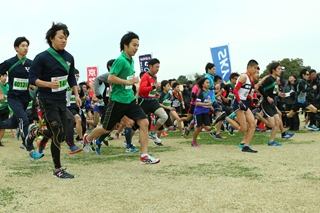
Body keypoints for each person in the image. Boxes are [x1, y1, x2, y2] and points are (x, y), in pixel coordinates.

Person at [83, 31, 160, 164]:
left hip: (129, 100)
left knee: (144, 122)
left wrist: (131, 86)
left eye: (138, 45)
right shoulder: (120, 60)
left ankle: (144, 156)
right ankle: (87, 139)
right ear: (125, 45)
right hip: (117, 101)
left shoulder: (130, 61)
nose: (136, 48)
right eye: (134, 45)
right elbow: (111, 77)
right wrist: (128, 82)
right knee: (106, 128)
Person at [27, 22, 82, 178]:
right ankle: (57, 169)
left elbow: (71, 78)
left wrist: (76, 95)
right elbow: (32, 79)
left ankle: (35, 132)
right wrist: (48, 84)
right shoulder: (42, 57)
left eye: (66, 38)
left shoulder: (69, 57)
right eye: (61, 37)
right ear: (52, 38)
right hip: (46, 99)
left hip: (61, 99)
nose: (64, 40)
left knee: (62, 132)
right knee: (57, 131)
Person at [0, 37, 42, 157]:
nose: (25, 48)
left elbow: (35, 77)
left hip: (25, 98)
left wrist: (33, 85)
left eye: (27, 46)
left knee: (12, 123)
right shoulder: (9, 62)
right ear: (16, 48)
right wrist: (0, 93)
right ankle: (30, 149)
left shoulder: (31, 63)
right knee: (24, 120)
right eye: (23, 45)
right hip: (13, 98)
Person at [225, 59, 258, 153]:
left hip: (244, 102)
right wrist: (240, 102)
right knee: (243, 128)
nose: (256, 70)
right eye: (255, 68)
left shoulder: (249, 78)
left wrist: (251, 98)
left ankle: (246, 146)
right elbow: (235, 91)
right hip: (238, 103)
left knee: (253, 124)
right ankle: (228, 118)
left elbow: (243, 93)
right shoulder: (243, 76)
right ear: (249, 67)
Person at [138, 58, 168, 145]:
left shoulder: (155, 76)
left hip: (153, 101)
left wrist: (155, 94)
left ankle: (153, 132)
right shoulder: (145, 76)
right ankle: (128, 142)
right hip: (144, 102)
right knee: (136, 124)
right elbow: (142, 90)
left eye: (159, 67)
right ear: (150, 66)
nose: (158, 69)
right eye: (156, 67)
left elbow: (150, 90)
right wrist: (154, 87)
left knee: (164, 116)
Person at [191, 78, 214, 147]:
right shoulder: (200, 92)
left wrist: (210, 106)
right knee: (199, 127)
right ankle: (194, 141)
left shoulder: (210, 92)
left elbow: (207, 101)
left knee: (208, 128)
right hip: (198, 112)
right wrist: (207, 105)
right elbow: (197, 103)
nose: (208, 84)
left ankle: (193, 122)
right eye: (207, 83)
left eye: (209, 83)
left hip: (205, 112)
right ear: (202, 84)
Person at [0, 73, 9, 146]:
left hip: (5, 109)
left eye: (6, 76)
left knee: (3, 126)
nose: (5, 77)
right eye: (3, 76)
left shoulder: (8, 86)